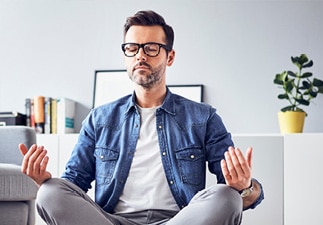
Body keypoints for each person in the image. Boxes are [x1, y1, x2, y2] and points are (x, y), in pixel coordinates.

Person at [19, 10, 264, 225]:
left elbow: (245, 198)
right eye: (132, 48)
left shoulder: (203, 117)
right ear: (126, 55)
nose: (140, 55)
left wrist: (245, 187)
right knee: (50, 193)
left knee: (228, 197)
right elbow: (74, 184)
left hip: (180, 219)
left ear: (170, 57)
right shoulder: (100, 118)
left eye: (151, 48)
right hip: (111, 220)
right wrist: (43, 181)